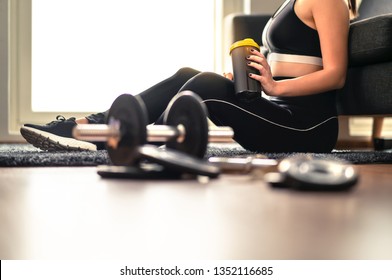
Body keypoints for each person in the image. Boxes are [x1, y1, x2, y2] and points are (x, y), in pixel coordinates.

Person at [21, 0, 357, 153]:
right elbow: (293, 60)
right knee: (188, 74)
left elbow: (335, 75)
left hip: (308, 127)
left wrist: (273, 85)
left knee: (205, 85)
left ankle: (125, 139)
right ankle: (96, 123)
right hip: (278, 109)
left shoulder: (329, 1)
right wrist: (257, 80)